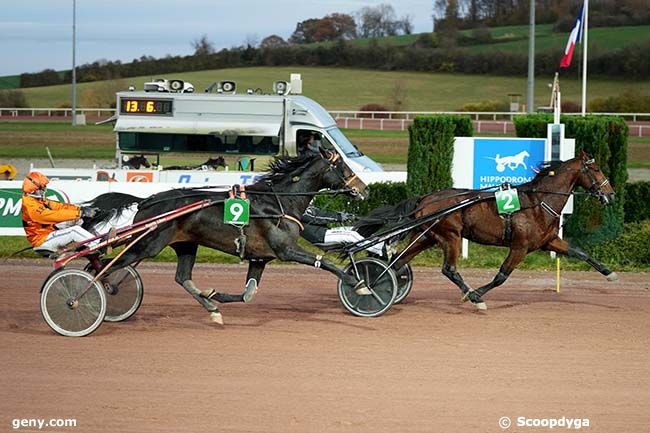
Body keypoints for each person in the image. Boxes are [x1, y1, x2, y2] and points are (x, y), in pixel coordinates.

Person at [21, 172, 99, 253]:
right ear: (34, 190)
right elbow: (53, 215)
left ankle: (93, 238)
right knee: (74, 231)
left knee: (77, 221)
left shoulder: (37, 201)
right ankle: (98, 243)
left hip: (48, 234)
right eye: (43, 187)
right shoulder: (30, 205)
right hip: (42, 240)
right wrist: (80, 213)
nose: (44, 190)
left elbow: (60, 207)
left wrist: (80, 209)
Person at [301, 205, 386, 257]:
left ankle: (382, 243)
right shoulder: (300, 209)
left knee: (355, 229)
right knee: (351, 235)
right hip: (320, 236)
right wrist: (339, 217)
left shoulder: (308, 205)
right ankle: (380, 249)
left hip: (326, 231)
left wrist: (345, 216)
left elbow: (322, 214)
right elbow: (315, 219)